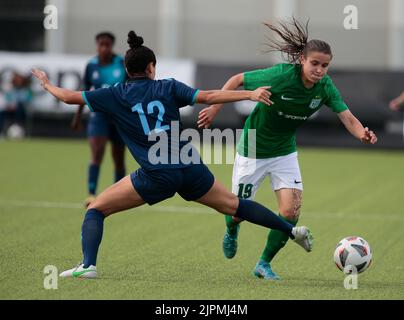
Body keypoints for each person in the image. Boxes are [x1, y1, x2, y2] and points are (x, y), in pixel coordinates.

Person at [32, 30, 313, 279]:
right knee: (234, 205)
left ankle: (88, 265)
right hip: (190, 167)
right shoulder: (168, 86)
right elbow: (210, 96)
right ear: (152, 67)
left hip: (156, 174)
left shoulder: (115, 94)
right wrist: (248, 95)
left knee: (96, 209)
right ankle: (291, 231)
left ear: (126, 70)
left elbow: (69, 97)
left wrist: (46, 84)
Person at [197, 18, 378, 280]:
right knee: (236, 212)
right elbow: (236, 79)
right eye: (314, 63)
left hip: (284, 152)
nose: (319, 70)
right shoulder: (281, 76)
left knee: (290, 213)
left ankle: (264, 263)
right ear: (302, 60)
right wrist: (213, 110)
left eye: (324, 65)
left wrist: (362, 133)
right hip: (254, 148)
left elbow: (347, 117)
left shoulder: (325, 87)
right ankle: (231, 230)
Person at [71, 32, 128, 207]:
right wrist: (78, 116)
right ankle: (91, 193)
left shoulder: (121, 63)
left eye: (107, 44)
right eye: (101, 44)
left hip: (119, 117)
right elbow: (84, 92)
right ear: (97, 45)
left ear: (112, 46)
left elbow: (130, 88)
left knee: (118, 157)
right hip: (98, 116)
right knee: (97, 153)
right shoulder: (91, 66)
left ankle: (118, 194)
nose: (104, 48)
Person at [0, 72, 32, 137]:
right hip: (11, 110)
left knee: (19, 106)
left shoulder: (27, 91)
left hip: (23, 111)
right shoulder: (11, 90)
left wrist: (17, 104)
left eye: (20, 81)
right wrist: (10, 106)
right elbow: (8, 100)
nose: (18, 82)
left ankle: (17, 125)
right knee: (2, 112)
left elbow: (29, 101)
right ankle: (1, 131)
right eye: (17, 81)